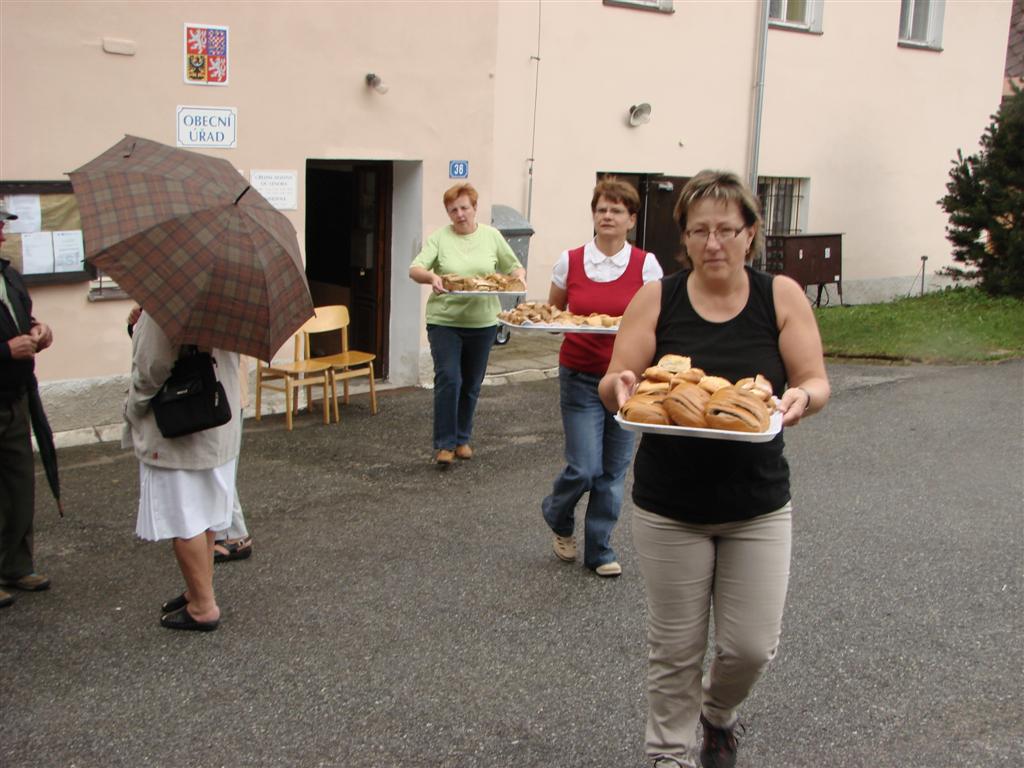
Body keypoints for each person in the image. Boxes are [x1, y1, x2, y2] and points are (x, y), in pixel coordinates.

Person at [598, 170, 830, 768]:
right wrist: (619, 385)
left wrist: (802, 398)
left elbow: (814, 380)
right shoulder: (657, 297)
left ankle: (718, 714)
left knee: (750, 647)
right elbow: (617, 380)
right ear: (685, 237)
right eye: (700, 230)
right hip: (669, 503)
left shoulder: (780, 295)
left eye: (727, 229)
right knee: (674, 648)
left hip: (756, 502)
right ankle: (668, 755)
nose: (713, 243)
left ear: (750, 233)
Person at [542, 177, 663, 577]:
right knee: (584, 468)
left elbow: (655, 320)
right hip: (579, 374)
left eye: (616, 210)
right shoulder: (570, 260)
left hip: (628, 379)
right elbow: (555, 314)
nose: (607, 216)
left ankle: (599, 550)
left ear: (631, 218)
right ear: (593, 216)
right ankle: (557, 512)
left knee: (612, 471)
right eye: (601, 209)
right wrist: (568, 323)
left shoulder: (646, 265)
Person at [124, 310, 242, 631]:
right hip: (219, 416)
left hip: (181, 427)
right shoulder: (230, 301)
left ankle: (203, 607)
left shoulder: (168, 304)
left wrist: (132, 409)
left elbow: (152, 367)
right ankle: (199, 590)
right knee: (205, 517)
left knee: (185, 519)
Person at [409, 183, 525, 466]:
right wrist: (431, 278)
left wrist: (518, 279)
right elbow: (415, 269)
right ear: (448, 213)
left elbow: (514, 267)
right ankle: (444, 445)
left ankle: (462, 438)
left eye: (464, 208)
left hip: (483, 322)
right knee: (449, 378)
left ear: (475, 207)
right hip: (444, 321)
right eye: (453, 210)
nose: (459, 214)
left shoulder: (491, 236)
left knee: (471, 383)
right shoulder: (440, 238)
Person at [0, 206, 54, 608]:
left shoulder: (10, 275)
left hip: (15, 396)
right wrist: (4, 350)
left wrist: (39, 331)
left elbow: (24, 319)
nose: (3, 232)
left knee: (20, 485)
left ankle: (17, 565)